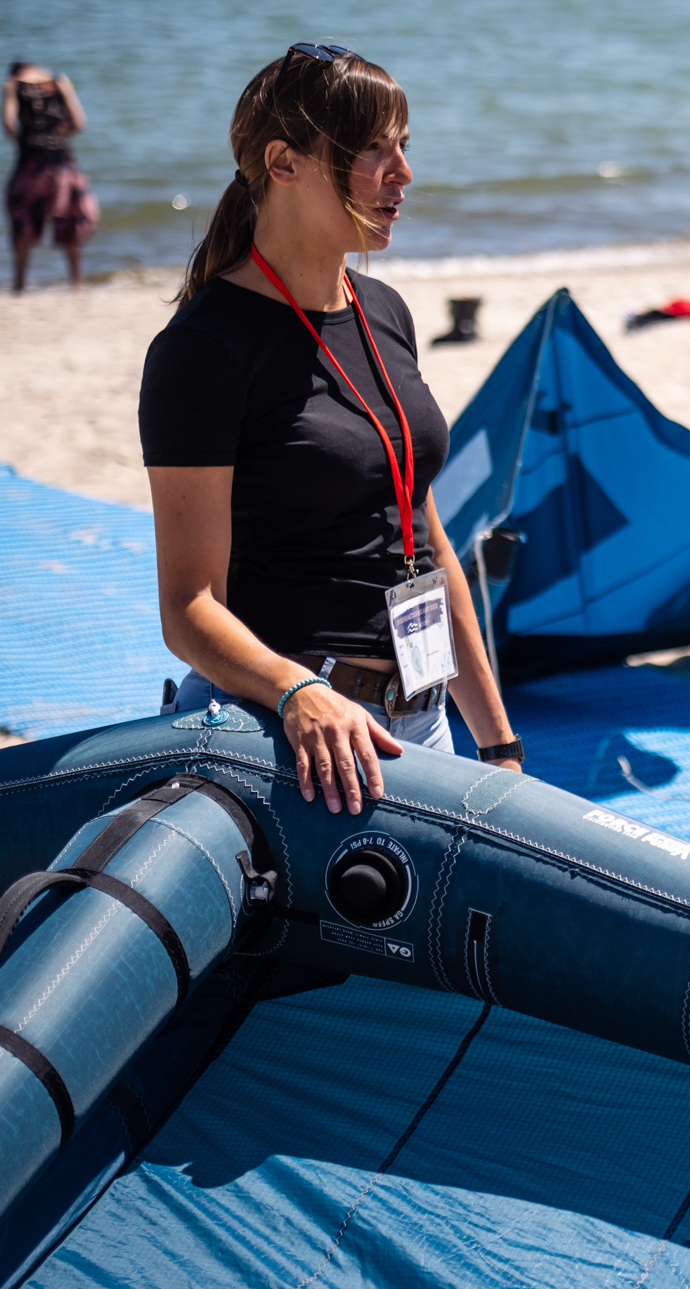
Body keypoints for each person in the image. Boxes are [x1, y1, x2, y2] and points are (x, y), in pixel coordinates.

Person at [141, 44, 522, 818]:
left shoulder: (385, 312)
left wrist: (498, 744)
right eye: (375, 148)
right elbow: (188, 605)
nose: (403, 173)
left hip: (422, 718)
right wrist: (298, 694)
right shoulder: (204, 348)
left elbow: (428, 541)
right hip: (292, 734)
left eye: (405, 145)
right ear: (284, 162)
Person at [5, 59, 98, 291]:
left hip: (30, 165)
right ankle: (77, 283)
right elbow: (79, 123)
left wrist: (25, 141)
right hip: (61, 166)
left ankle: (19, 284)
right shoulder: (58, 81)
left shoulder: (13, 85)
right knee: (69, 224)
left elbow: (9, 125)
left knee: (23, 226)